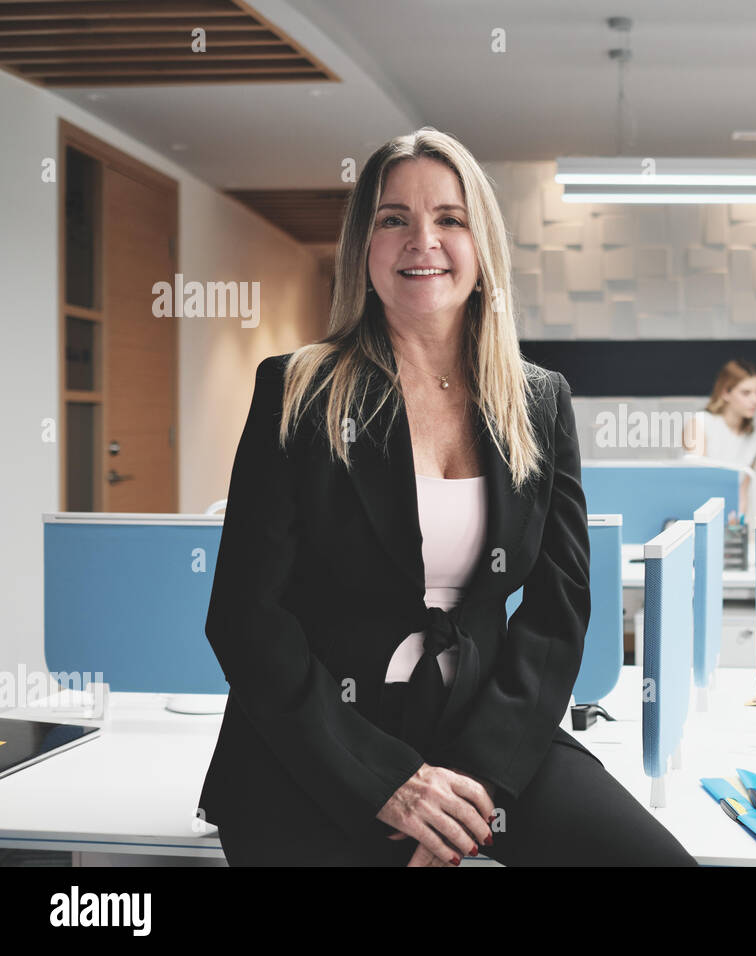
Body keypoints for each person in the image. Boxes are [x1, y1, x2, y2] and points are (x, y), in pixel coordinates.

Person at [198, 127, 695, 867]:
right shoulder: (298, 391)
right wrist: (386, 782)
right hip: (321, 744)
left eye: (449, 219)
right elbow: (245, 619)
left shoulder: (538, 402)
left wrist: (476, 782)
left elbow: (558, 612)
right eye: (393, 218)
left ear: (481, 247)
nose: (421, 240)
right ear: (363, 248)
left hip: (485, 728)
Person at [682, 359, 756, 516]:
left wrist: (738, 523)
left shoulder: (754, 438)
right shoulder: (700, 422)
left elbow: (742, 493)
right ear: (725, 393)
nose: (755, 400)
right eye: (746, 393)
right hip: (695, 515)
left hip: (727, 519)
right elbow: (697, 480)